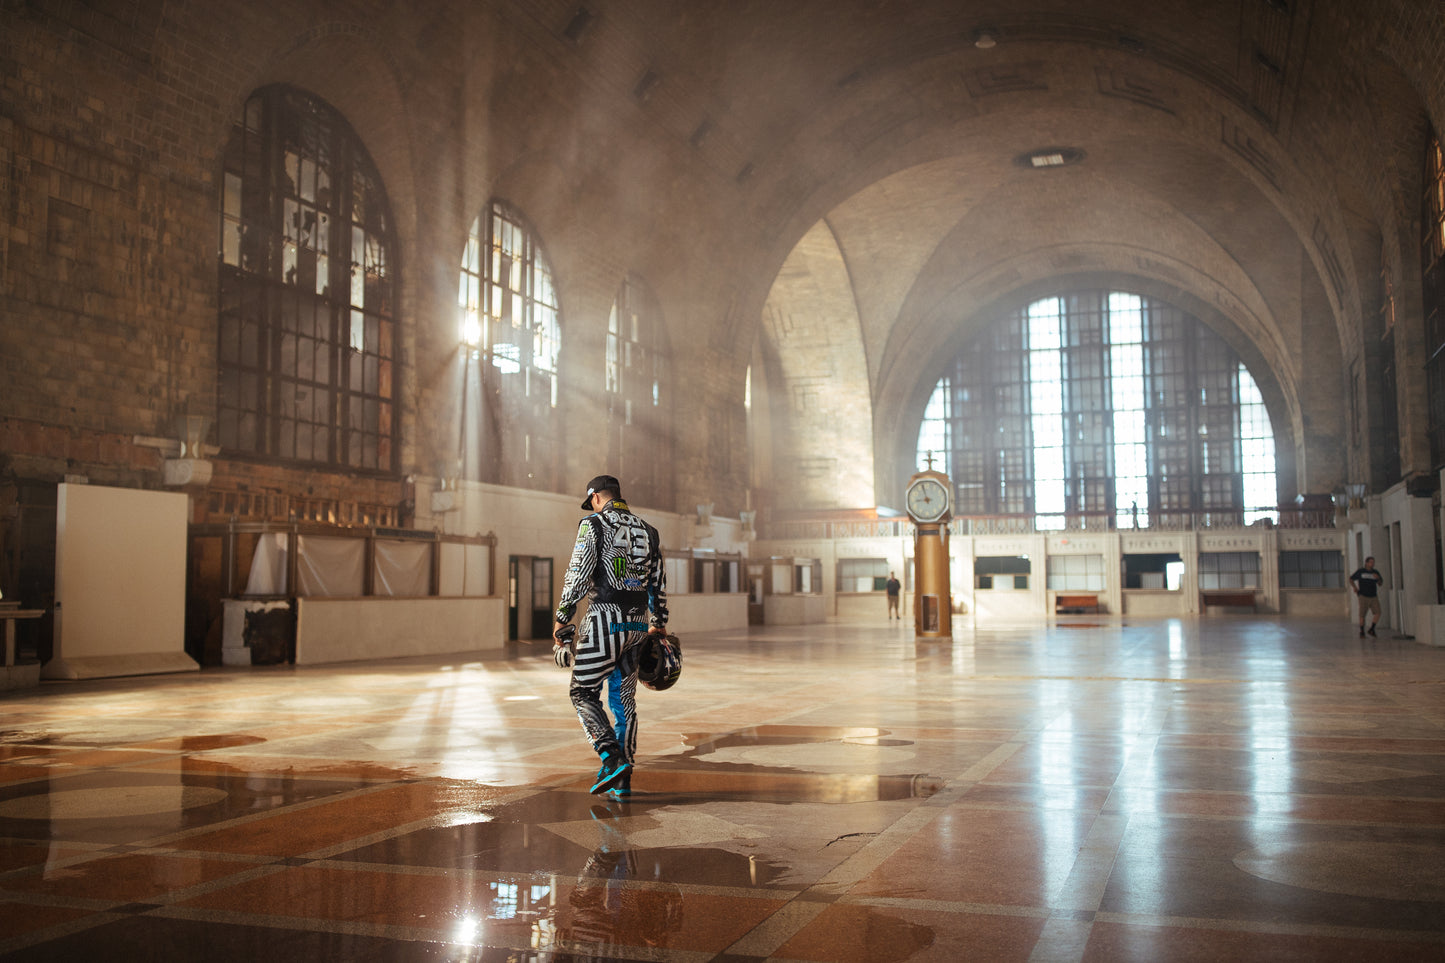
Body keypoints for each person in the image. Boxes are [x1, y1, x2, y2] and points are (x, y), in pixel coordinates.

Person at [554, 474, 668, 796]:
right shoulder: (649, 531)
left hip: (605, 620)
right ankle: (624, 780)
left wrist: (562, 619)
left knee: (583, 692)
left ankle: (610, 757)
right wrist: (658, 623)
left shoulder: (593, 525)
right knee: (624, 702)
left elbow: (578, 574)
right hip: (637, 626)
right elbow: (657, 583)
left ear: (595, 498)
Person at [1349, 555, 1384, 637]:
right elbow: (1351, 579)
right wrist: (1355, 587)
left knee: (1378, 612)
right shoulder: (1361, 571)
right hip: (1363, 596)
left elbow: (1380, 584)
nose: (1372, 564)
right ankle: (1362, 631)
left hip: (1373, 596)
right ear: (1366, 563)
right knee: (1362, 614)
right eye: (1371, 562)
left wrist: (1378, 578)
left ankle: (1372, 629)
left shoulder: (1375, 572)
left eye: (1373, 562)